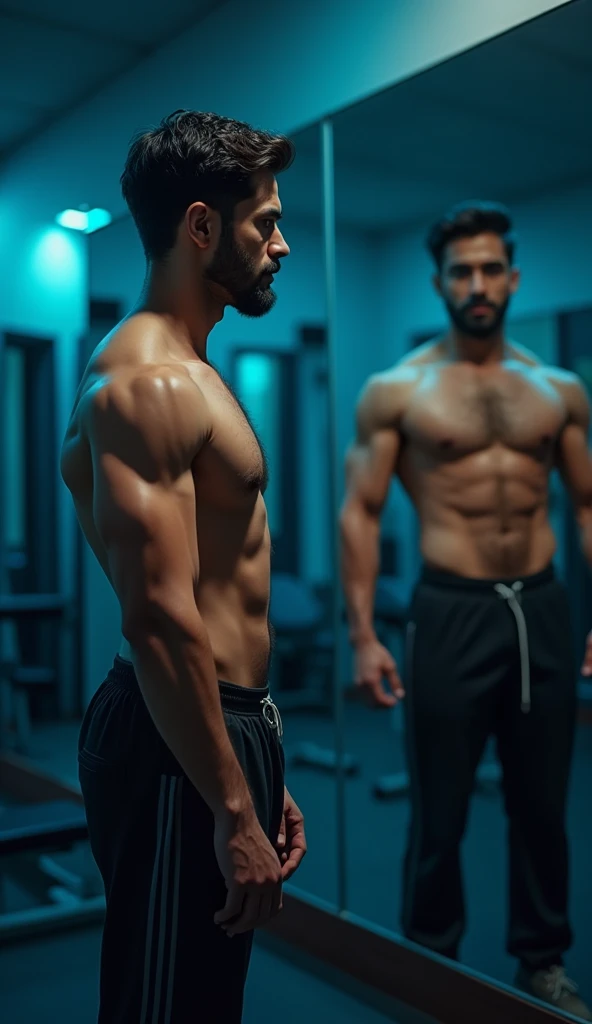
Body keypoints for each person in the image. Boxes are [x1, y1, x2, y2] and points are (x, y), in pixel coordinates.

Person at [61, 110, 307, 1024]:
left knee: (204, 994)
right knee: (164, 1004)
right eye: (265, 222)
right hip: (174, 742)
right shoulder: (148, 384)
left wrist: (256, 769)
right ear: (202, 225)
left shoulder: (190, 367)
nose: (281, 245)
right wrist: (233, 809)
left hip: (217, 728)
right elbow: (159, 619)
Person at [340, 201, 592, 1019]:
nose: (477, 284)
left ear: (512, 278)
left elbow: (587, 505)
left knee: (543, 803)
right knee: (440, 806)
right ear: (439, 283)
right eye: (461, 271)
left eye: (490, 269)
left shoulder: (558, 389)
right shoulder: (398, 390)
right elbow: (361, 514)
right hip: (449, 612)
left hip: (544, 609)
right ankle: (431, 961)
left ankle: (542, 959)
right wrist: (363, 635)